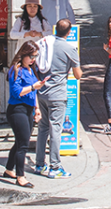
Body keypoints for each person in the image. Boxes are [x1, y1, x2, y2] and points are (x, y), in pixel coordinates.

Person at [35, 19, 82, 179]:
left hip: (42, 93)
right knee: (55, 129)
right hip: (58, 95)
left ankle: (39, 164)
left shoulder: (44, 44)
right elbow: (78, 75)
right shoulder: (70, 49)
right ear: (69, 32)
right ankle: (55, 166)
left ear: (56, 29)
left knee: (43, 127)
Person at [3, 40, 44, 188]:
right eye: (31, 56)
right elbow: (17, 92)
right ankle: (20, 176)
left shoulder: (29, 69)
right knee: (23, 144)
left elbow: (34, 93)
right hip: (17, 110)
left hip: (28, 109)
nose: (33, 59)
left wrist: (37, 108)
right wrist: (34, 86)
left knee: (21, 140)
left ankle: (9, 169)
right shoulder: (16, 70)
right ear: (23, 54)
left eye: (35, 56)